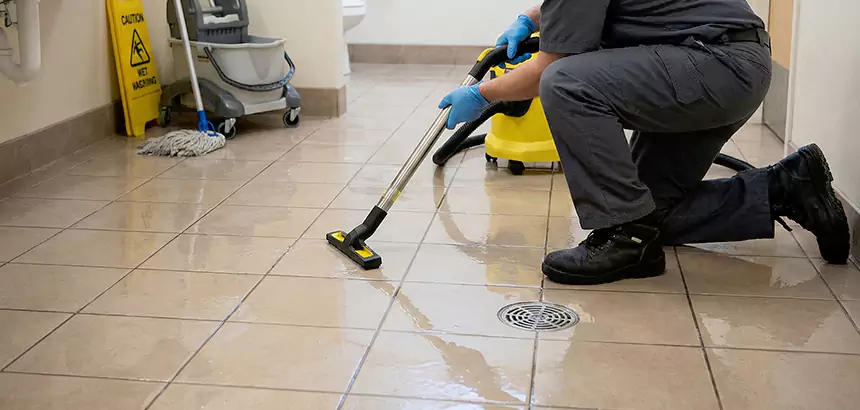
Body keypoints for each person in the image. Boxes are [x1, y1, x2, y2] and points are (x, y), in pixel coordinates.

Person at [438, 0, 850, 286]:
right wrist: (529, 19)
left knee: (565, 84)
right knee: (648, 212)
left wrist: (483, 96)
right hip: (722, 61)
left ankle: (625, 239)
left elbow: (553, 67)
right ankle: (788, 186)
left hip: (714, 64)